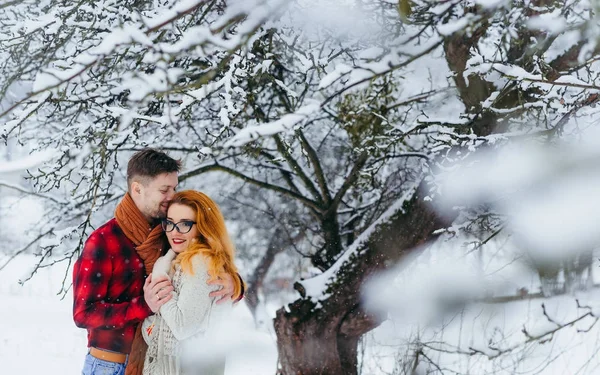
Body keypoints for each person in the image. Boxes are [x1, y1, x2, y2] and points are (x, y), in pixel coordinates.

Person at [73, 149, 244, 375]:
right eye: (164, 190)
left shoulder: (171, 233)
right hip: (111, 365)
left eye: (174, 188)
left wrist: (234, 285)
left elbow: (206, 266)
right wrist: (143, 306)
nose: (172, 196)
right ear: (137, 189)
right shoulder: (104, 241)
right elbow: (84, 313)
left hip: (158, 364)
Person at [141, 190, 243, 375]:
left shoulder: (200, 261)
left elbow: (181, 327)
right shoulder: (178, 260)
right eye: (170, 223)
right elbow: (155, 333)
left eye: (185, 224)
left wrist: (159, 284)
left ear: (204, 227)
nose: (174, 232)